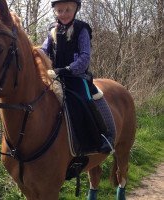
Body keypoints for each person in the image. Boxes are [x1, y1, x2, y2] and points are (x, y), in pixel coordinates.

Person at [42, 0, 115, 154]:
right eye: (60, 10)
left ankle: (106, 136)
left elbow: (84, 57)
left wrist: (68, 69)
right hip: (55, 76)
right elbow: (43, 52)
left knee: (86, 98)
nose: (63, 14)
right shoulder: (52, 30)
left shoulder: (82, 29)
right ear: (55, 12)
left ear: (75, 10)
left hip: (76, 76)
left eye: (67, 10)